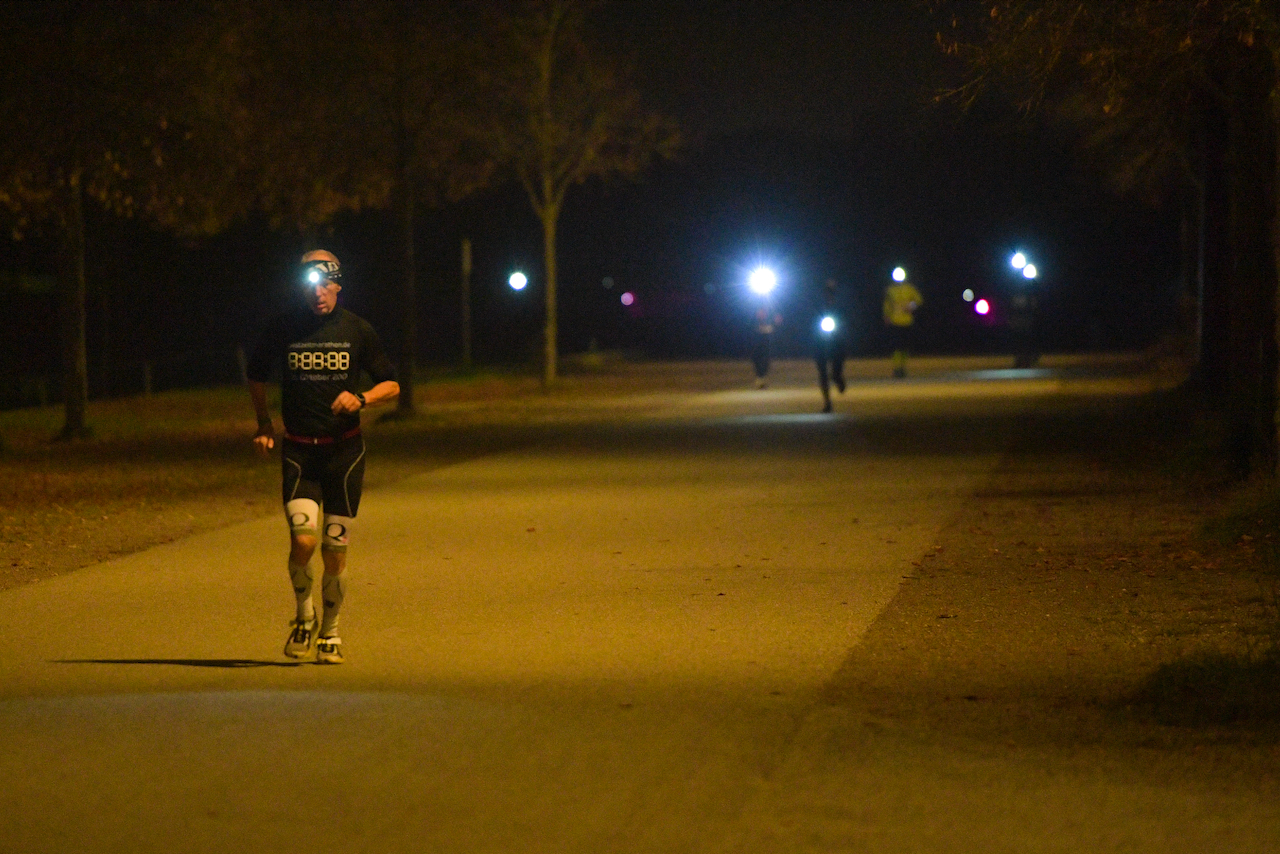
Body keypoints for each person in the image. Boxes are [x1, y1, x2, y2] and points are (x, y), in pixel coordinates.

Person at [247, 250, 399, 664]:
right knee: (303, 541)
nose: (318, 294)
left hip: (344, 454)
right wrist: (264, 424)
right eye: (309, 286)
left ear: (338, 285)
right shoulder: (284, 328)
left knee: (334, 548)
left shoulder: (357, 331)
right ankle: (304, 616)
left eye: (325, 285)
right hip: (299, 451)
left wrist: (363, 398)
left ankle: (331, 632)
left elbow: (392, 384)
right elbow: (255, 372)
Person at [814, 279, 847, 413]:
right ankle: (827, 402)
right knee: (822, 372)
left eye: (831, 293)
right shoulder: (817, 305)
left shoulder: (841, 305)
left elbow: (846, 320)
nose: (829, 296)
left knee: (835, 371)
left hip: (837, 339)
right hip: (820, 339)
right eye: (827, 293)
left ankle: (838, 378)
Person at [882, 271, 923, 378]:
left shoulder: (910, 289)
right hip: (895, 322)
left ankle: (903, 368)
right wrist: (886, 316)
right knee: (896, 347)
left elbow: (918, 300)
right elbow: (887, 304)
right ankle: (897, 369)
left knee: (905, 347)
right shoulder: (890, 290)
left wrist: (911, 306)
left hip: (907, 322)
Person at [751, 304, 782, 388]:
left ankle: (763, 378)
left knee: (765, 360)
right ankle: (759, 378)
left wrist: (776, 323)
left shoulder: (771, 316)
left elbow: (776, 326)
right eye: (760, 312)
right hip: (756, 342)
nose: (762, 314)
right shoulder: (753, 319)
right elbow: (750, 327)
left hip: (767, 342)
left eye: (764, 312)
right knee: (757, 359)